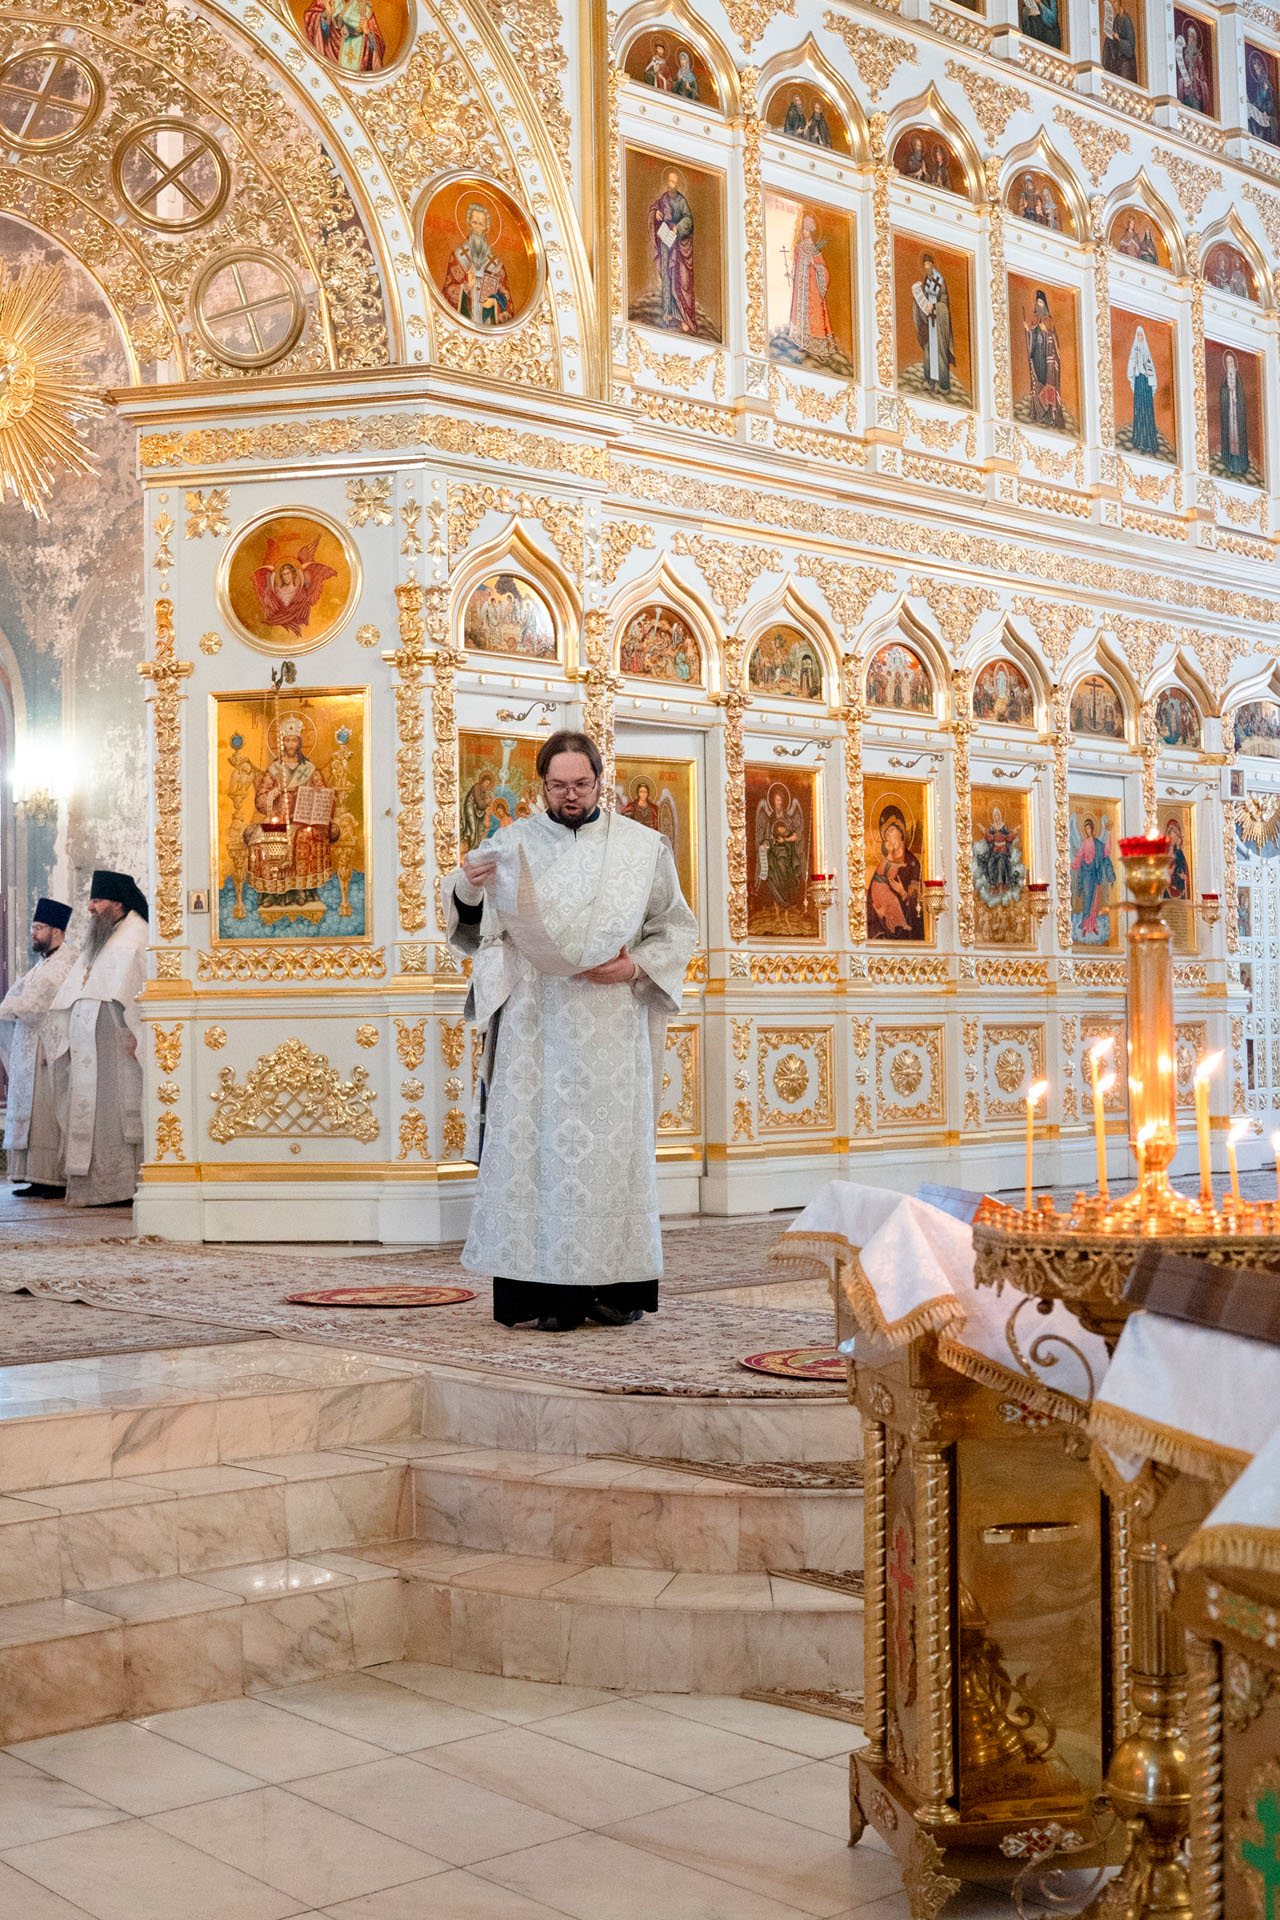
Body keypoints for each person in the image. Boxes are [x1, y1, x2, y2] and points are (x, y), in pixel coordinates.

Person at [446, 731, 696, 1332]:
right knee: (538, 1157)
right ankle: (544, 1298)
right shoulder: (512, 843)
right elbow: (471, 925)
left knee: (607, 1157)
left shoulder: (642, 847)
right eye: (558, 786)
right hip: (534, 1025)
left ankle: (614, 1292)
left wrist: (634, 967)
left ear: (600, 781)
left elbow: (674, 927)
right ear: (542, 785)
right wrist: (468, 887)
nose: (571, 795)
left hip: (612, 1021)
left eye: (582, 784)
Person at [47, 872, 149, 1208]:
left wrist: (141, 1035)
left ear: (118, 903)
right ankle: (94, 1188)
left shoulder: (137, 936)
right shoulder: (101, 940)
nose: (90, 907)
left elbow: (145, 990)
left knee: (115, 1115)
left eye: (97, 900)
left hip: (116, 1048)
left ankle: (122, 1187)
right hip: (89, 1050)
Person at [0, 899, 76, 1198]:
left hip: (49, 1050)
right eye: (33, 927)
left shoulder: (66, 964)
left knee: (46, 1114)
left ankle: (54, 1179)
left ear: (56, 930)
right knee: (32, 1112)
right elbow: (16, 998)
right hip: (30, 1049)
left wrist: (10, 1008)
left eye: (39, 928)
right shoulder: (43, 964)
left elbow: (34, 1006)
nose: (34, 933)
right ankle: (34, 1176)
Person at [441, 203, 513, 327]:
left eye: (481, 224)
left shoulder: (495, 264)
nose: (477, 228)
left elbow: (506, 299)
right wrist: (467, 286)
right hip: (463, 326)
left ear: (486, 228)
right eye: (474, 223)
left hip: (489, 327)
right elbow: (447, 294)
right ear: (469, 224)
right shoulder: (459, 256)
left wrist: (493, 302)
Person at [649, 168, 697, 334]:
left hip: (677, 244)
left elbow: (688, 220)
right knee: (666, 274)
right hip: (665, 240)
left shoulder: (681, 201)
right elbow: (655, 208)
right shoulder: (663, 198)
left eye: (674, 182)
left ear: (677, 184)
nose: (671, 185)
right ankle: (667, 312)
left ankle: (682, 316)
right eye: (669, 181)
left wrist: (678, 227)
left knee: (678, 278)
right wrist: (656, 214)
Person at [867, 808, 923, 940]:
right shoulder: (883, 864)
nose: (888, 837)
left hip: (907, 936)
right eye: (885, 835)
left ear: (901, 831)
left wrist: (903, 893)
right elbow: (871, 896)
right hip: (882, 930)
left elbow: (918, 907)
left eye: (891, 830)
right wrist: (877, 912)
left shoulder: (912, 864)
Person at [912, 253, 954, 395]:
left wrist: (935, 307)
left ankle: (942, 384)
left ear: (933, 265)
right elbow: (924, 298)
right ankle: (929, 381)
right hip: (929, 321)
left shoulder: (939, 281)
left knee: (939, 351)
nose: (927, 268)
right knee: (929, 350)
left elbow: (944, 302)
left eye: (928, 265)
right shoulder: (927, 281)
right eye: (925, 266)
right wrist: (918, 299)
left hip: (939, 322)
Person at [1024, 288, 1065, 431]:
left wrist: (1046, 331)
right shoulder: (1035, 320)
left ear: (1045, 305)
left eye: (1041, 303)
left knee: (1048, 384)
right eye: (1038, 303)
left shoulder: (1048, 321)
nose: (1040, 306)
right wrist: (1029, 331)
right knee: (1038, 382)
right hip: (1037, 357)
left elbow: (1054, 341)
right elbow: (1032, 340)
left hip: (1048, 360)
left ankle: (1049, 415)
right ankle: (1038, 412)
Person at [1126, 326, 1160, 457]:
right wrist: (1134, 363)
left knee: (1148, 411)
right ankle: (1139, 440)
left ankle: (1149, 442)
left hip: (1146, 384)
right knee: (1139, 410)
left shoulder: (1146, 352)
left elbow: (1151, 368)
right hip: (1139, 383)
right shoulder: (1134, 351)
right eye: (1138, 335)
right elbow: (1131, 367)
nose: (1140, 337)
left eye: (1141, 335)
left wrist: (1147, 372)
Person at [1219, 349, 1250, 479]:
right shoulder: (1225, 378)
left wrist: (1236, 397)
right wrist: (1228, 392)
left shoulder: (1237, 376)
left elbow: (1240, 395)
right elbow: (1222, 393)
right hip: (1229, 413)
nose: (1229, 364)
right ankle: (1230, 462)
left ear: (1234, 363)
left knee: (1238, 437)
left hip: (1237, 413)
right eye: (1227, 362)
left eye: (1231, 362)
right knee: (1230, 436)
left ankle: (1240, 464)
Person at [1102, 0, 1138, 81]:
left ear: (1119, 2)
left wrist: (1118, 38)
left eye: (1114, 2)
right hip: (1119, 60)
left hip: (1126, 62)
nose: (1113, 5)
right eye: (1111, 2)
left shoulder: (1126, 20)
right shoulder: (1117, 18)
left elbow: (1130, 48)